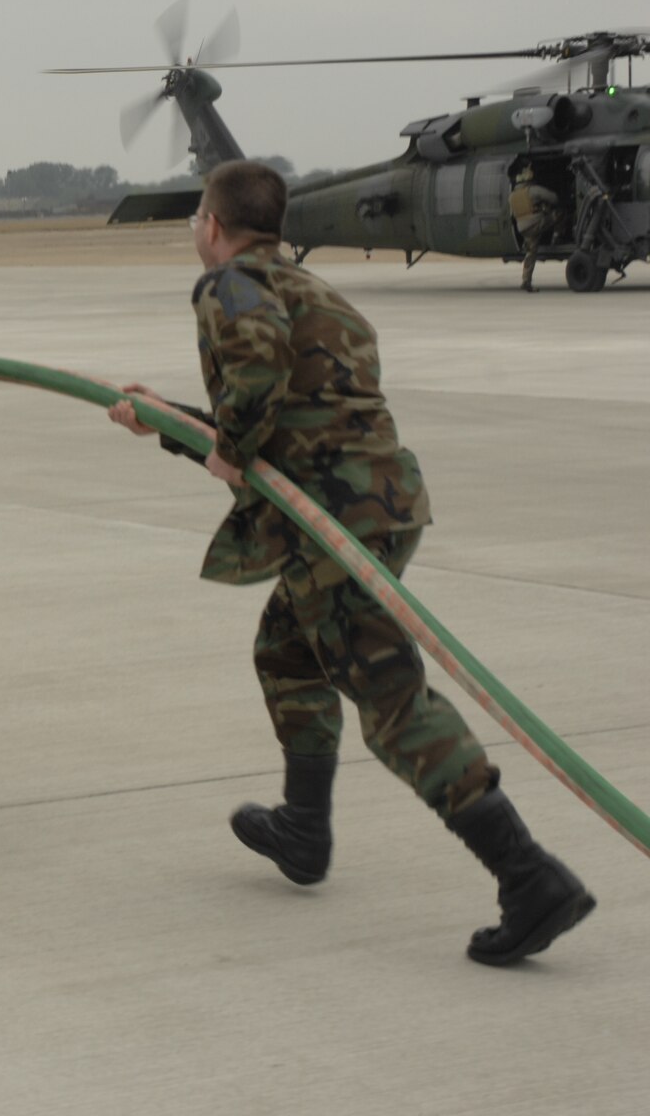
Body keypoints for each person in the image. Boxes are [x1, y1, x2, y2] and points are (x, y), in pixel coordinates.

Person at [108, 159, 594, 965]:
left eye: (198, 216)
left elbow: (257, 384)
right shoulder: (313, 289)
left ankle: (529, 878)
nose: (196, 229)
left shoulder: (229, 287)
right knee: (285, 650)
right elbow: (305, 408)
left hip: (333, 525)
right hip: (382, 505)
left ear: (216, 227)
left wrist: (225, 446)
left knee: (393, 701)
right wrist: (168, 420)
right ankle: (303, 830)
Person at [508, 164, 563, 293]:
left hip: (523, 228)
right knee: (560, 213)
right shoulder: (534, 190)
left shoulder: (512, 196)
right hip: (537, 223)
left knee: (531, 253)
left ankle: (526, 281)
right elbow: (554, 198)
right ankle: (556, 237)